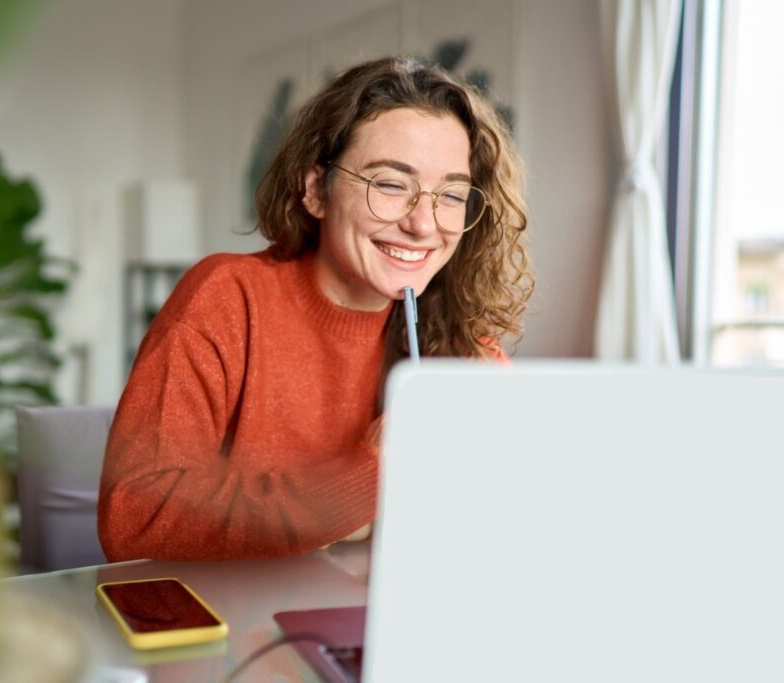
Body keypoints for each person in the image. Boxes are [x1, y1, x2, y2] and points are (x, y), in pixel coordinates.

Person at [98, 56, 532, 562]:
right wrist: (368, 476)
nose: (423, 223)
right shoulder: (226, 299)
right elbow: (134, 519)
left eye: (451, 195)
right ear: (315, 191)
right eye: (391, 184)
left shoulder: (460, 339)